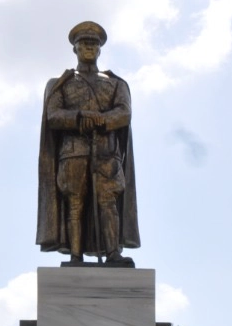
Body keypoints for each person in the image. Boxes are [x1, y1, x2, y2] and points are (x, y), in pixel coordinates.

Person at [35, 20, 139, 266]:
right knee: (75, 203)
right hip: (73, 152)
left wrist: (103, 120)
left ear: (100, 49)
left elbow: (124, 113)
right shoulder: (60, 83)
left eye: (94, 43)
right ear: (75, 49)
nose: (89, 47)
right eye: (84, 43)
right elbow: (53, 115)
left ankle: (113, 253)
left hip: (107, 153)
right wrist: (79, 117)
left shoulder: (116, 83)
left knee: (108, 202)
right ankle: (75, 255)